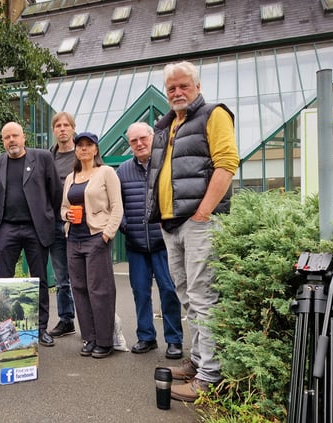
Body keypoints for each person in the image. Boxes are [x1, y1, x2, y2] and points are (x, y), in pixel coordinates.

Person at [147, 61, 239, 402]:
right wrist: (159, 214)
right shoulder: (166, 125)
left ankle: (209, 377)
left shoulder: (214, 114)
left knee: (203, 299)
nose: (177, 93)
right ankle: (199, 362)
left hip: (198, 222)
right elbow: (159, 175)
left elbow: (227, 163)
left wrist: (203, 213)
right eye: (171, 88)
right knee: (187, 299)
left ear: (197, 87)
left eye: (183, 86)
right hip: (171, 225)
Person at [0, 122, 62, 347]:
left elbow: (55, 192)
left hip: (35, 228)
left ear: (23, 138)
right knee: (4, 281)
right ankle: (5, 329)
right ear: (2, 140)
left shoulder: (42, 158)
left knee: (39, 279)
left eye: (15, 136)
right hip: (7, 228)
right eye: (6, 137)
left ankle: (40, 329)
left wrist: (49, 217)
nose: (11, 140)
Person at [117, 122, 184, 358]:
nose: (139, 144)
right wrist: (125, 225)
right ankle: (146, 337)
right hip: (135, 245)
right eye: (133, 141)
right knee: (140, 292)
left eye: (143, 138)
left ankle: (174, 340)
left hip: (163, 244)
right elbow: (117, 205)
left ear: (153, 137)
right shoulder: (122, 171)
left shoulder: (167, 164)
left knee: (168, 290)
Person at [61, 132, 123, 358]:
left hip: (96, 238)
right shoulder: (71, 177)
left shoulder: (106, 172)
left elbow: (117, 207)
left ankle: (105, 341)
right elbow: (63, 208)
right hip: (73, 239)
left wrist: (106, 235)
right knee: (79, 289)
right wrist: (67, 215)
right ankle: (89, 337)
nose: (84, 149)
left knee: (100, 290)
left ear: (96, 149)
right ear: (76, 150)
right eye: (80, 145)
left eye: (89, 145)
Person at [47, 112, 77, 338]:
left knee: (82, 275)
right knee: (61, 276)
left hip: (78, 224)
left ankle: (91, 319)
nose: (63, 129)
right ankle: (66, 319)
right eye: (58, 125)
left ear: (73, 129)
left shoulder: (83, 153)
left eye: (67, 125)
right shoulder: (48, 157)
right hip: (55, 223)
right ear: (54, 130)